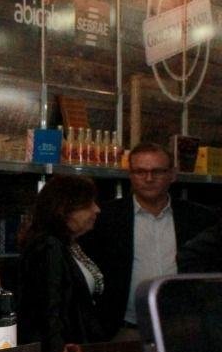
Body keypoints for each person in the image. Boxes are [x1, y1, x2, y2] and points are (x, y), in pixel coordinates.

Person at [79, 142, 216, 340]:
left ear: (173, 174)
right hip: (124, 331)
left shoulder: (200, 219)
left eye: (157, 171)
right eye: (140, 172)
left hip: (187, 329)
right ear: (130, 175)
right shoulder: (105, 218)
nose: (149, 178)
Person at [16, 175, 107, 352]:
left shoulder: (69, 245)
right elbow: (49, 308)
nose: (97, 210)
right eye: (88, 204)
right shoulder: (49, 247)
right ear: (66, 210)